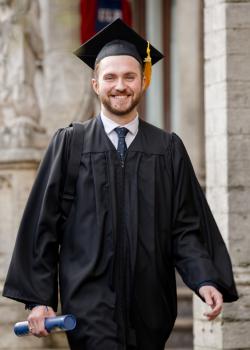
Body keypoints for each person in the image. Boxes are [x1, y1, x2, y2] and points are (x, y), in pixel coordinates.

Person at [3, 19, 238, 350]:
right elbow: (44, 226)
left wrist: (204, 278)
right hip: (89, 309)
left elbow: (185, 227)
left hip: (151, 311)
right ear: (95, 84)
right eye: (110, 77)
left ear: (143, 81)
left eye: (129, 77)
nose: (120, 86)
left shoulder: (168, 149)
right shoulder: (71, 144)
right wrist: (40, 299)